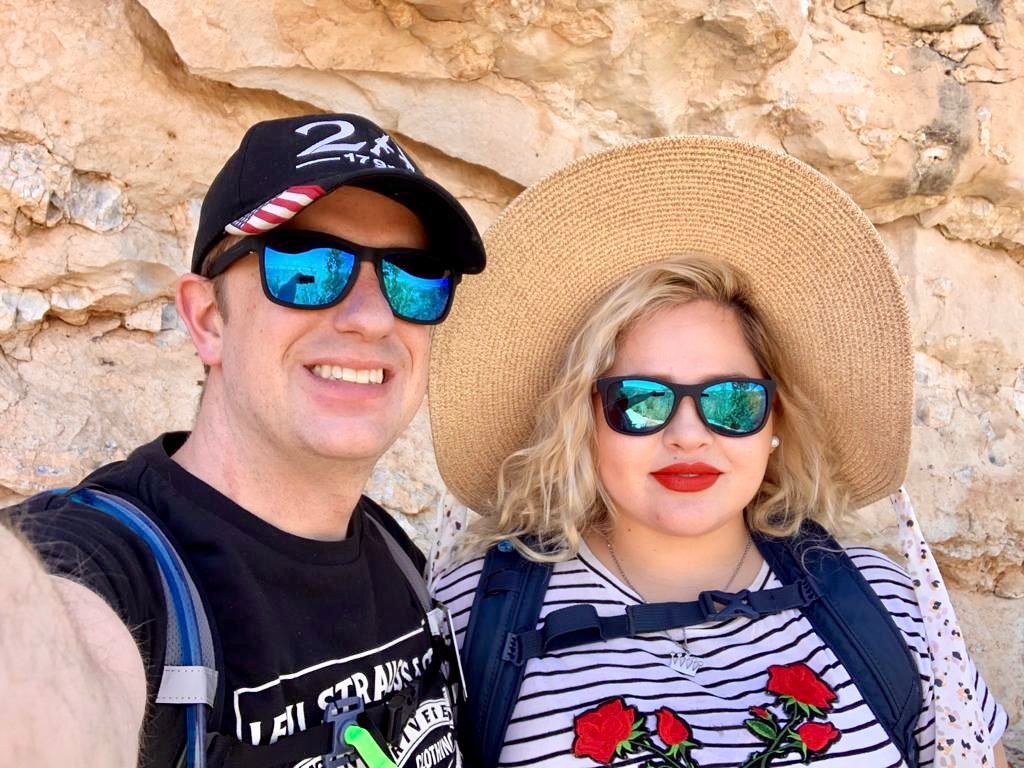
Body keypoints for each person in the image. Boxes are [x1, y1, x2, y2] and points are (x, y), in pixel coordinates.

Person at [429, 137, 1010, 768]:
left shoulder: (888, 605)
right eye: (640, 400)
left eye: (731, 401)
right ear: (585, 419)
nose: (688, 435)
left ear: (774, 420)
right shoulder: (469, 620)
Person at [2, 113, 483, 767]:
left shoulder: (397, 559)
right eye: (308, 267)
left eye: (414, 278)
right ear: (208, 319)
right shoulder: (117, 573)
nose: (373, 319)